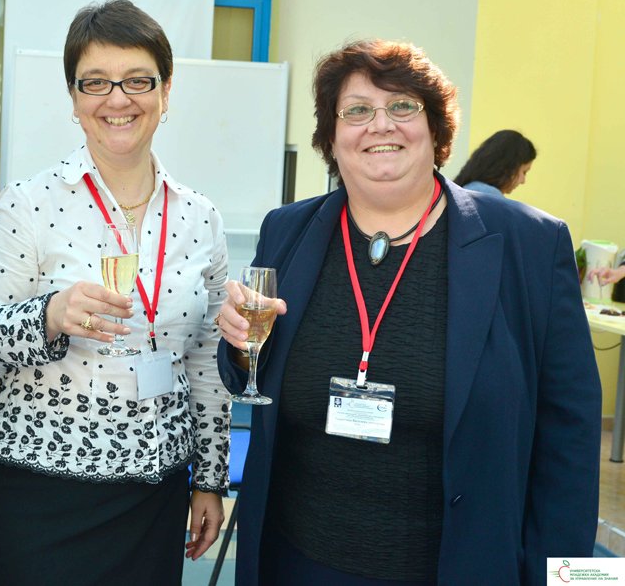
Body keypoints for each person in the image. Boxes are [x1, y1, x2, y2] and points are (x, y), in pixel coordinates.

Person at [215, 39, 601, 584]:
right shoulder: (288, 230)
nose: (381, 124)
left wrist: (567, 579)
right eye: (357, 110)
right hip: (296, 562)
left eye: (402, 106)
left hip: (457, 568)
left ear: (436, 129)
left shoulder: (529, 244)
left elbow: (571, 438)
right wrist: (238, 343)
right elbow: (247, 372)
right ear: (331, 137)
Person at [0, 0, 231, 585]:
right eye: (96, 82)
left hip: (155, 491)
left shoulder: (200, 217)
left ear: (166, 91)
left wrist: (209, 478)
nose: (117, 98)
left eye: (138, 80)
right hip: (38, 491)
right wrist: (49, 316)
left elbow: (207, 360)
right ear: (74, 97)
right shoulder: (27, 205)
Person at [454, 128, 537, 196]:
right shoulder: (486, 195)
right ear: (508, 167)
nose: (523, 181)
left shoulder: (465, 190)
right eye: (524, 172)